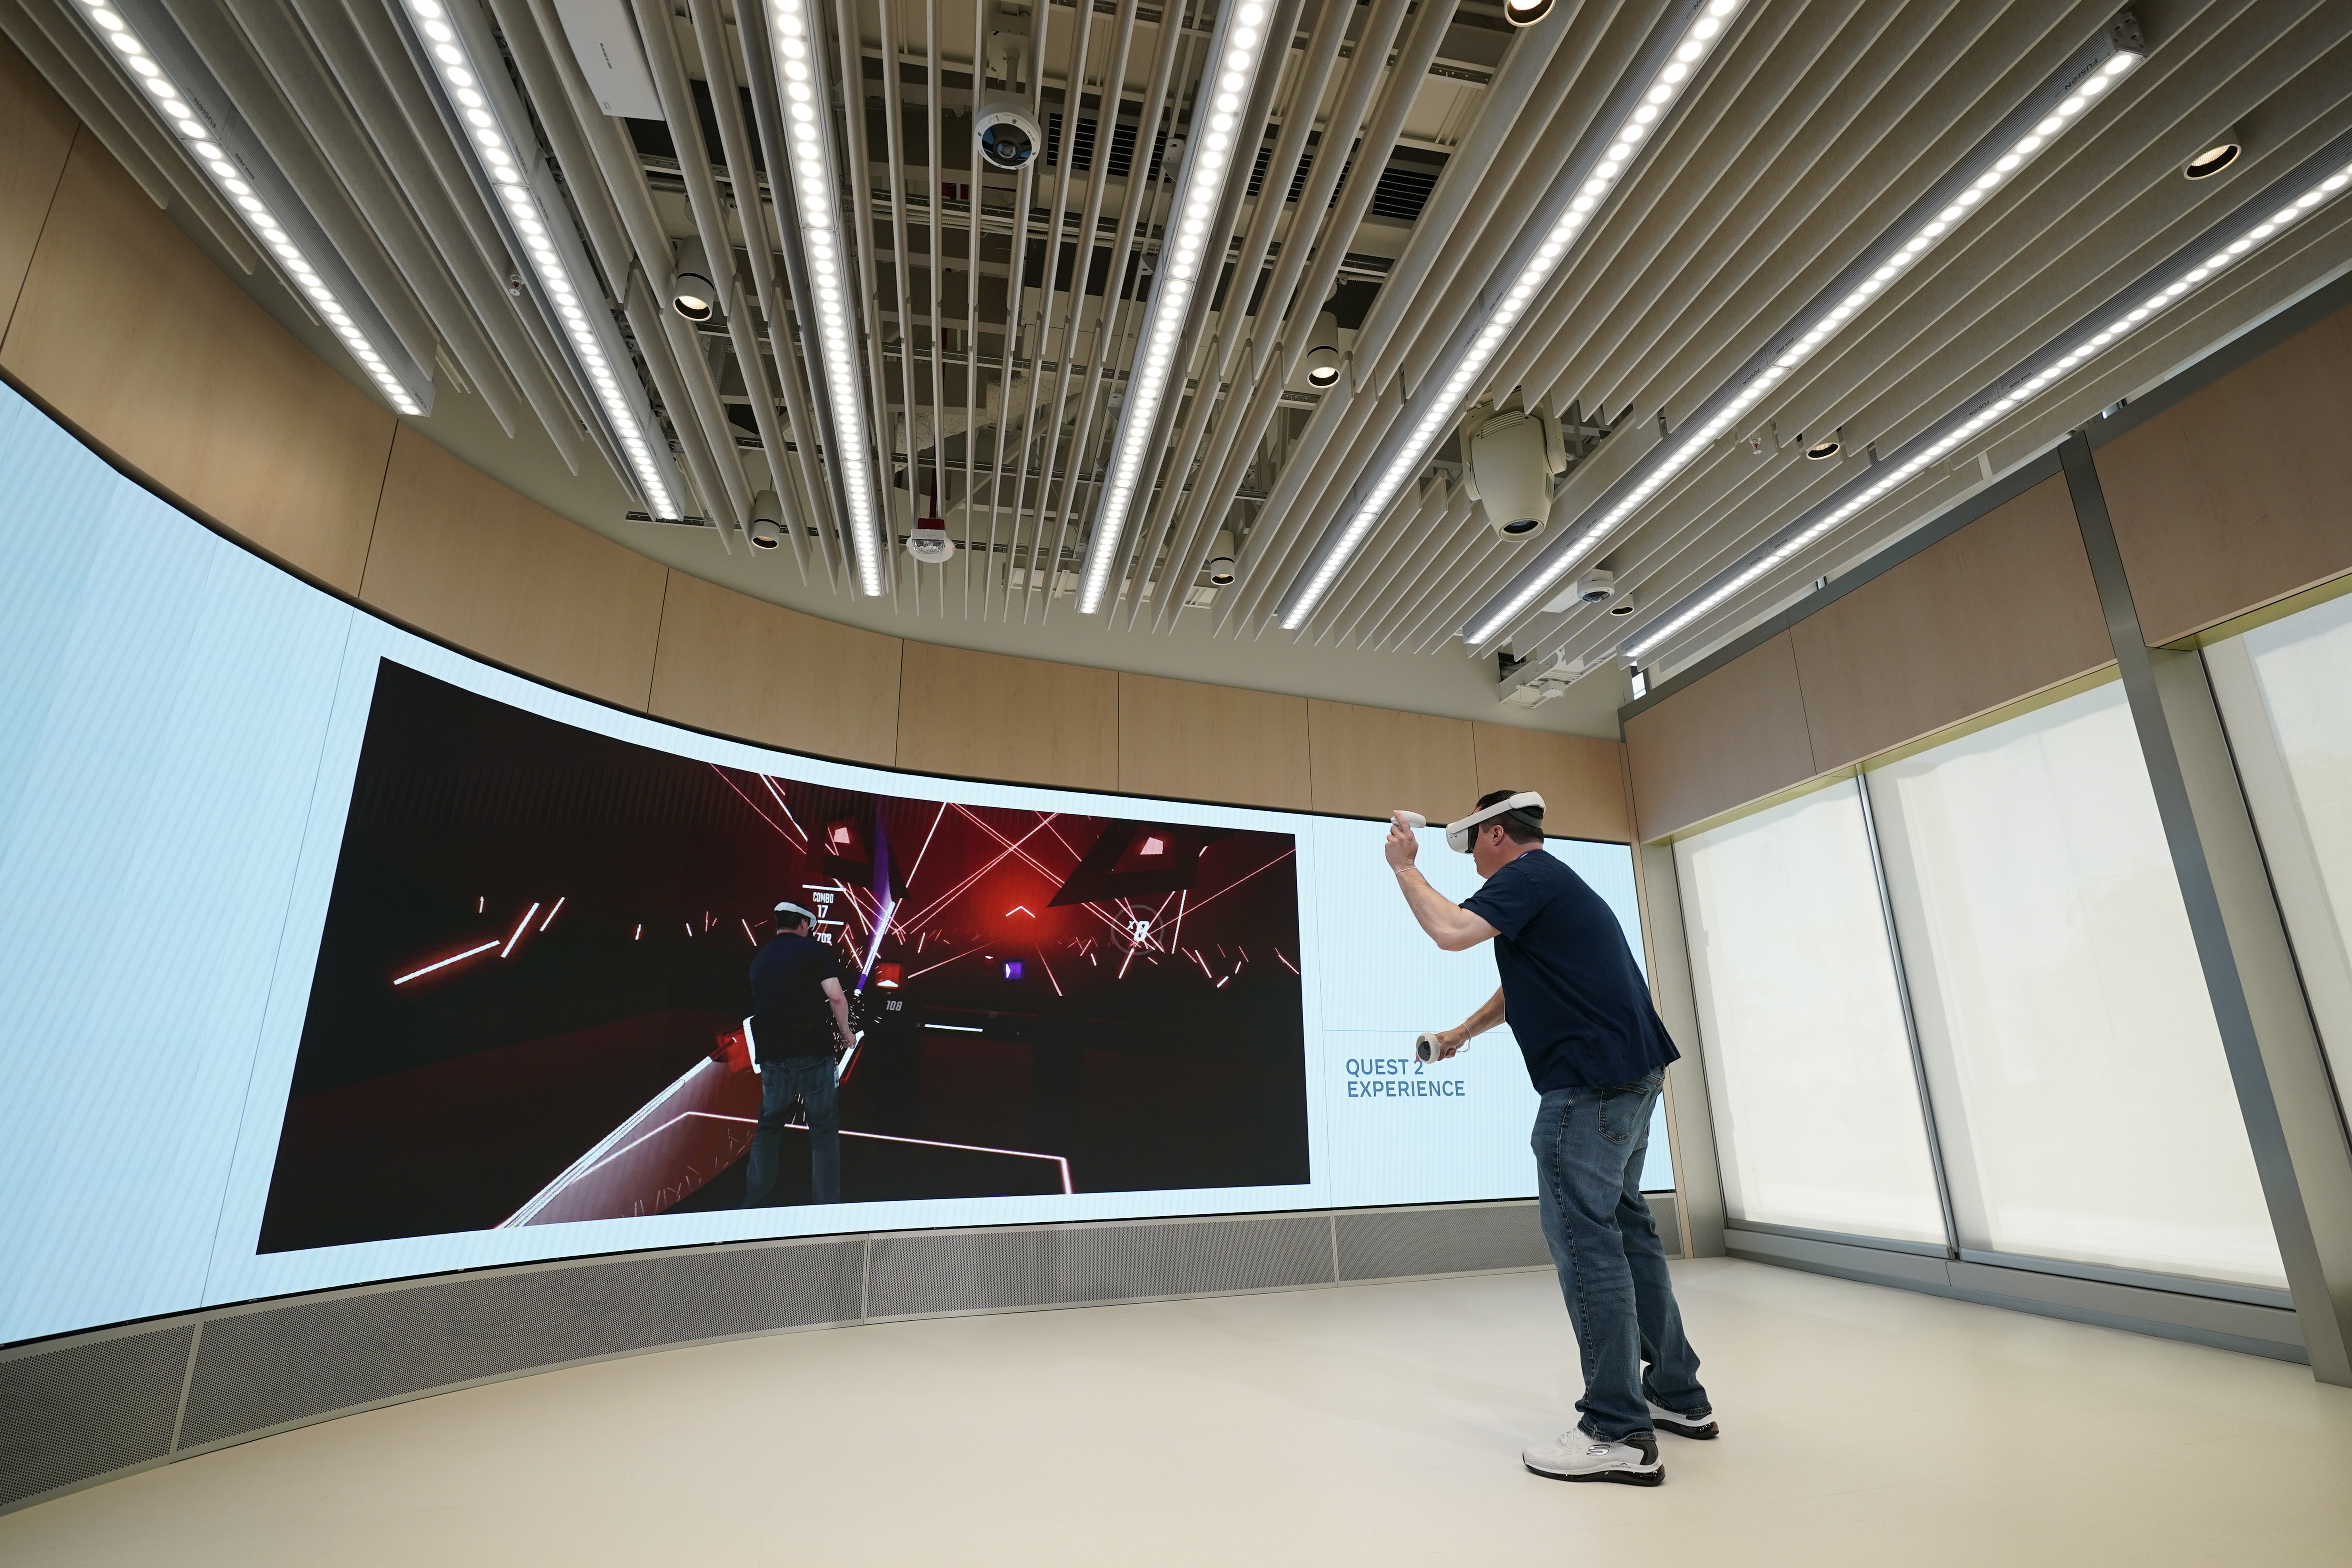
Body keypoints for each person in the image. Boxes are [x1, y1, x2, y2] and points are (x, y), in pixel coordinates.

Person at [1385, 790, 1713, 1487]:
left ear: (1496, 835)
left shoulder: (1524, 878)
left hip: (1587, 1088)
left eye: (1472, 845)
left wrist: (1404, 868)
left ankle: (1614, 1430)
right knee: (1628, 1235)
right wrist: (1458, 1036)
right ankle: (1676, 1396)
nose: (1472, 860)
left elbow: (1447, 932)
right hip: (1628, 1077)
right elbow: (1523, 989)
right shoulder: (1550, 885)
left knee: (1587, 1244)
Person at [743, 900, 855, 1206]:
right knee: (823, 1130)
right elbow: (835, 995)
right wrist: (846, 1033)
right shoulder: (814, 951)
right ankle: (825, 1206)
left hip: (772, 1054)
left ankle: (754, 1201)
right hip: (811, 1050)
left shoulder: (761, 956)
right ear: (804, 924)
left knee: (769, 1127)